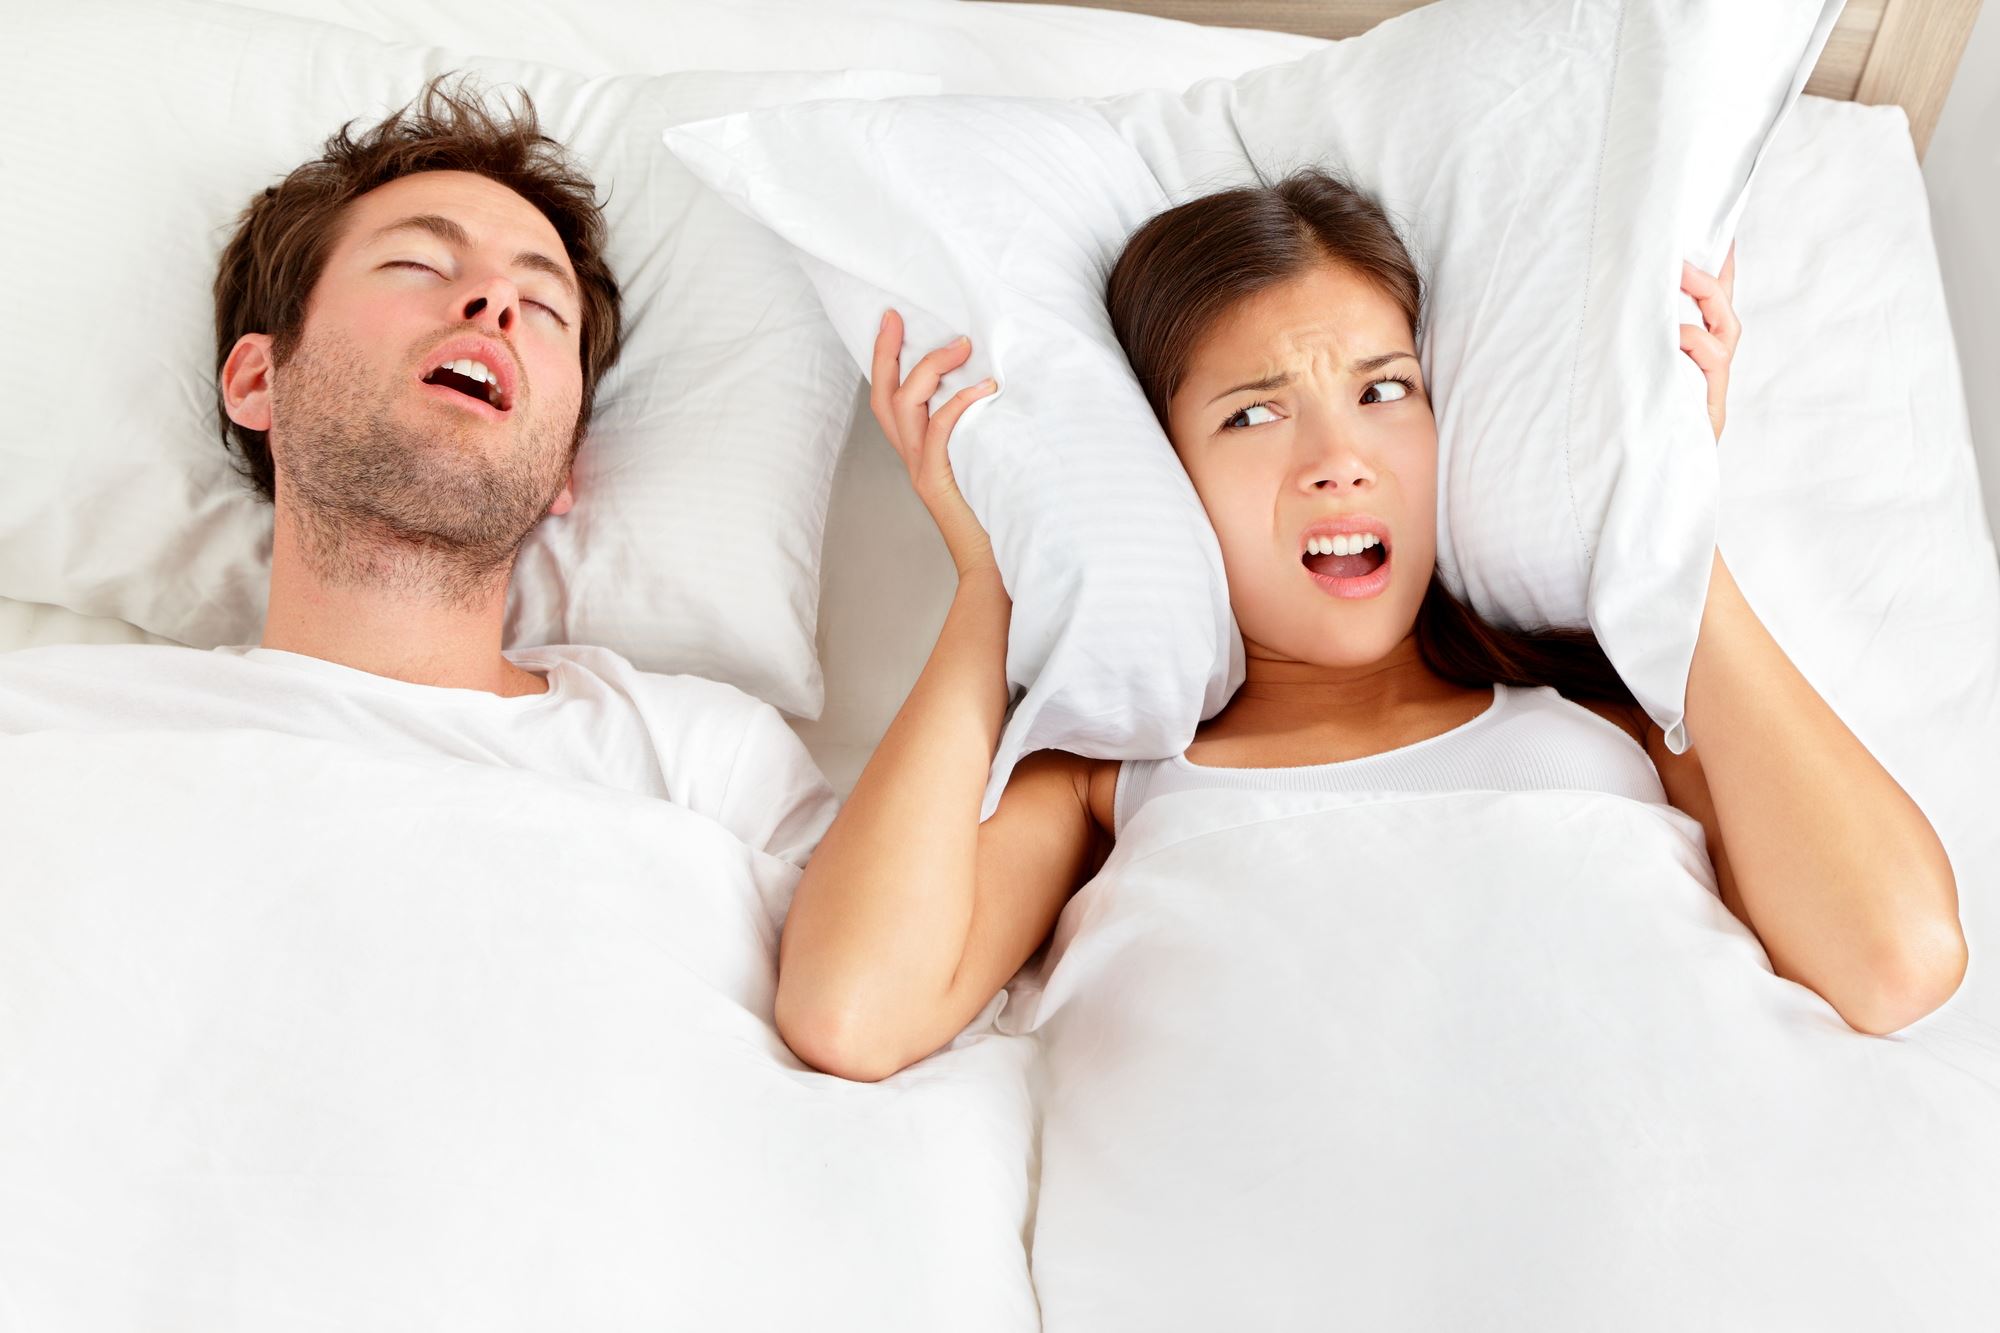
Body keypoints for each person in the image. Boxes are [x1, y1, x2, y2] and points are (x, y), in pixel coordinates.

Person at [775, 168, 1968, 1081]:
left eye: (1383, 390)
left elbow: (1894, 957)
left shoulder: (1617, 719)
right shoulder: (1111, 778)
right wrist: (993, 583)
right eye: (1252, 416)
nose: (1338, 460)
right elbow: (854, 1011)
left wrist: (1658, 506)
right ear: (1159, 473)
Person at [0, 75, 834, 867]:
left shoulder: (706, 767)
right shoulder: (41, 725)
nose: (496, 305)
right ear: (259, 379)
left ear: (561, 469)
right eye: (419, 265)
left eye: (543, 308)